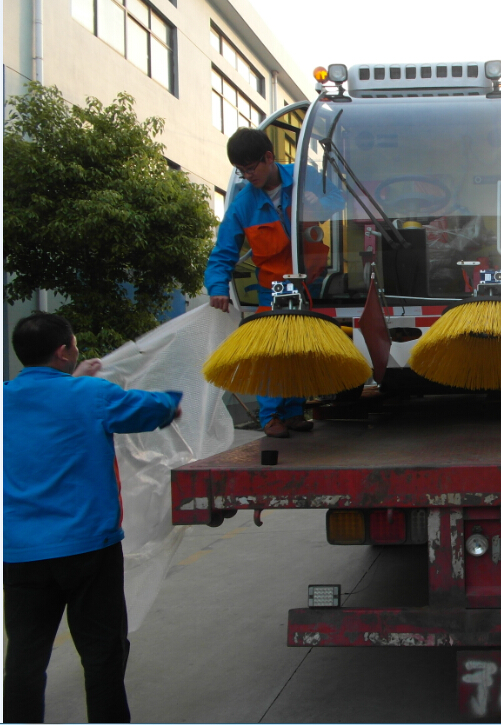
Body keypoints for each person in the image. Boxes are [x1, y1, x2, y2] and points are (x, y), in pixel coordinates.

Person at [3, 312, 183, 723]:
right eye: (74, 344)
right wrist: (176, 397)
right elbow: (155, 409)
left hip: (21, 554)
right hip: (89, 550)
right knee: (102, 655)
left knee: (25, 660)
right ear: (64, 351)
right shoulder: (92, 395)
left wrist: (75, 380)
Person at [204, 127, 344, 438]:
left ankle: (294, 412)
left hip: (310, 283)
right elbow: (223, 251)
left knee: (300, 351)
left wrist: (317, 204)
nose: (246, 176)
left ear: (269, 157)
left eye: (250, 168)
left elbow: (338, 198)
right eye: (240, 171)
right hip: (274, 287)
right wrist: (218, 288)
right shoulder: (243, 205)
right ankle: (270, 417)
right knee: (273, 352)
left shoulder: (304, 177)